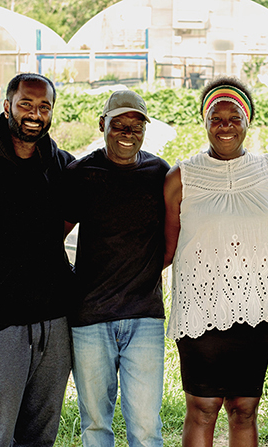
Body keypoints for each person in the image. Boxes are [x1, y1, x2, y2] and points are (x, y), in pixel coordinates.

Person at [163, 76, 268, 447]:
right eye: (215, 118)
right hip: (201, 309)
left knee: (244, 409)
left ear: (247, 121)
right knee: (203, 408)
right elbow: (167, 248)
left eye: (234, 117)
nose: (225, 126)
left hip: (257, 308)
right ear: (204, 122)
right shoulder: (181, 177)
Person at [62, 90, 170, 447]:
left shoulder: (159, 173)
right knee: (95, 425)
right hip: (90, 318)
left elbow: (175, 236)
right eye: (118, 124)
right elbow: (52, 238)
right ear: (102, 124)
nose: (128, 132)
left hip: (145, 318)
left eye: (136, 126)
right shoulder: (81, 173)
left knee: (145, 427)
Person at [0, 73, 75, 446]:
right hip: (2, 323)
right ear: (8, 105)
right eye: (26, 104)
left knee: (42, 433)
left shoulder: (61, 164)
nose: (34, 113)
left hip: (54, 319)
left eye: (43, 107)